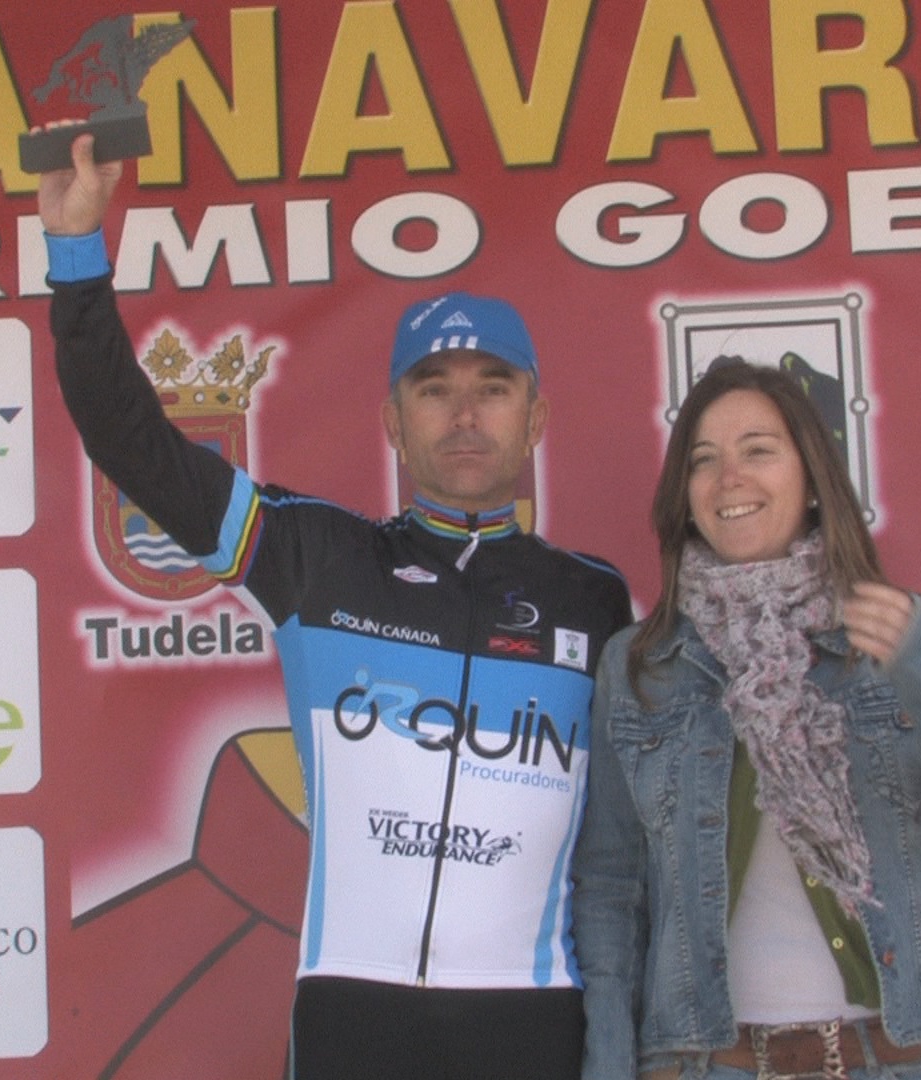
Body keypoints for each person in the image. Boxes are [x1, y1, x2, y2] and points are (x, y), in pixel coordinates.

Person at [38, 131, 633, 1080]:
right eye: (434, 391)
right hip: (352, 1016)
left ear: (536, 418)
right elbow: (131, 442)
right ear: (393, 422)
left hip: (535, 1021)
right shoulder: (318, 560)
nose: (465, 414)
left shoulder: (596, 600)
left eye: (493, 389)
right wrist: (75, 252)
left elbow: (634, 844)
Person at [571, 359, 921, 1080]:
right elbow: (610, 890)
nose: (729, 478)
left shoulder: (915, 634)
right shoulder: (640, 665)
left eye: (758, 450)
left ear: (813, 478)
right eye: (703, 460)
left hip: (895, 1062)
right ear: (684, 496)